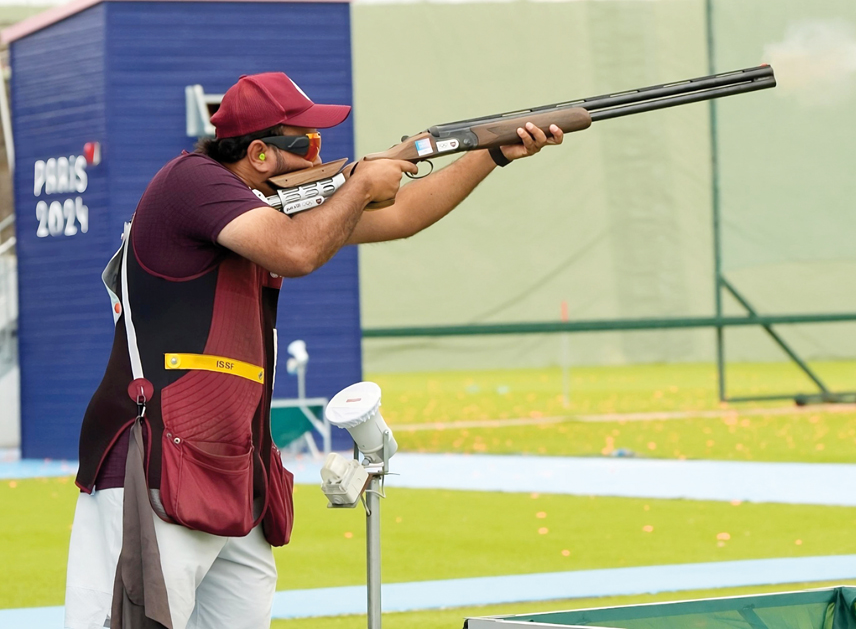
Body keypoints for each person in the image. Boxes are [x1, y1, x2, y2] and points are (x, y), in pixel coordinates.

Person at [63, 71, 563, 629]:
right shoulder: (192, 182)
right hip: (155, 468)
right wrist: (359, 184)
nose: (321, 154)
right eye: (309, 144)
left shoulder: (262, 209)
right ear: (258, 153)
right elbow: (296, 252)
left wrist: (489, 155)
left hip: (234, 475)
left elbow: (402, 216)